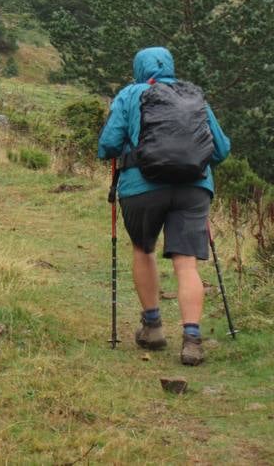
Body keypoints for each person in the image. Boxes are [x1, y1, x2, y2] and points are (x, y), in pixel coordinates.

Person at [98, 47, 230, 367]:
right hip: (193, 189)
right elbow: (221, 149)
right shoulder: (193, 96)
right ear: (171, 66)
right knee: (187, 264)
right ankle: (193, 339)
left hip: (141, 188)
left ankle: (153, 327)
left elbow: (109, 145)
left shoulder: (131, 94)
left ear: (138, 68)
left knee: (144, 250)